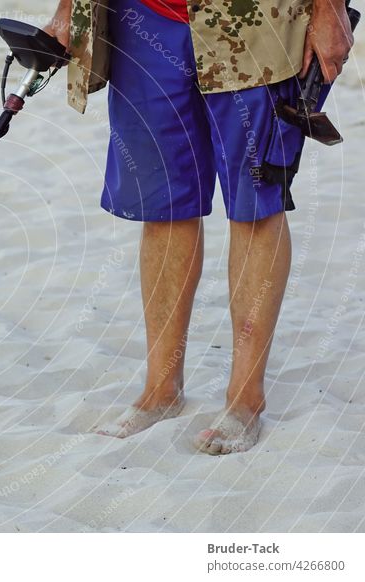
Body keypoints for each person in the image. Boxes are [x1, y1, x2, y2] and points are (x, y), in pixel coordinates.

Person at [44, 0, 354, 454]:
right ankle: (161, 391)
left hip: (257, 19)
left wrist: (331, 8)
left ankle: (244, 398)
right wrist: (69, 7)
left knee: (255, 204)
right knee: (164, 205)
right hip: (143, 17)